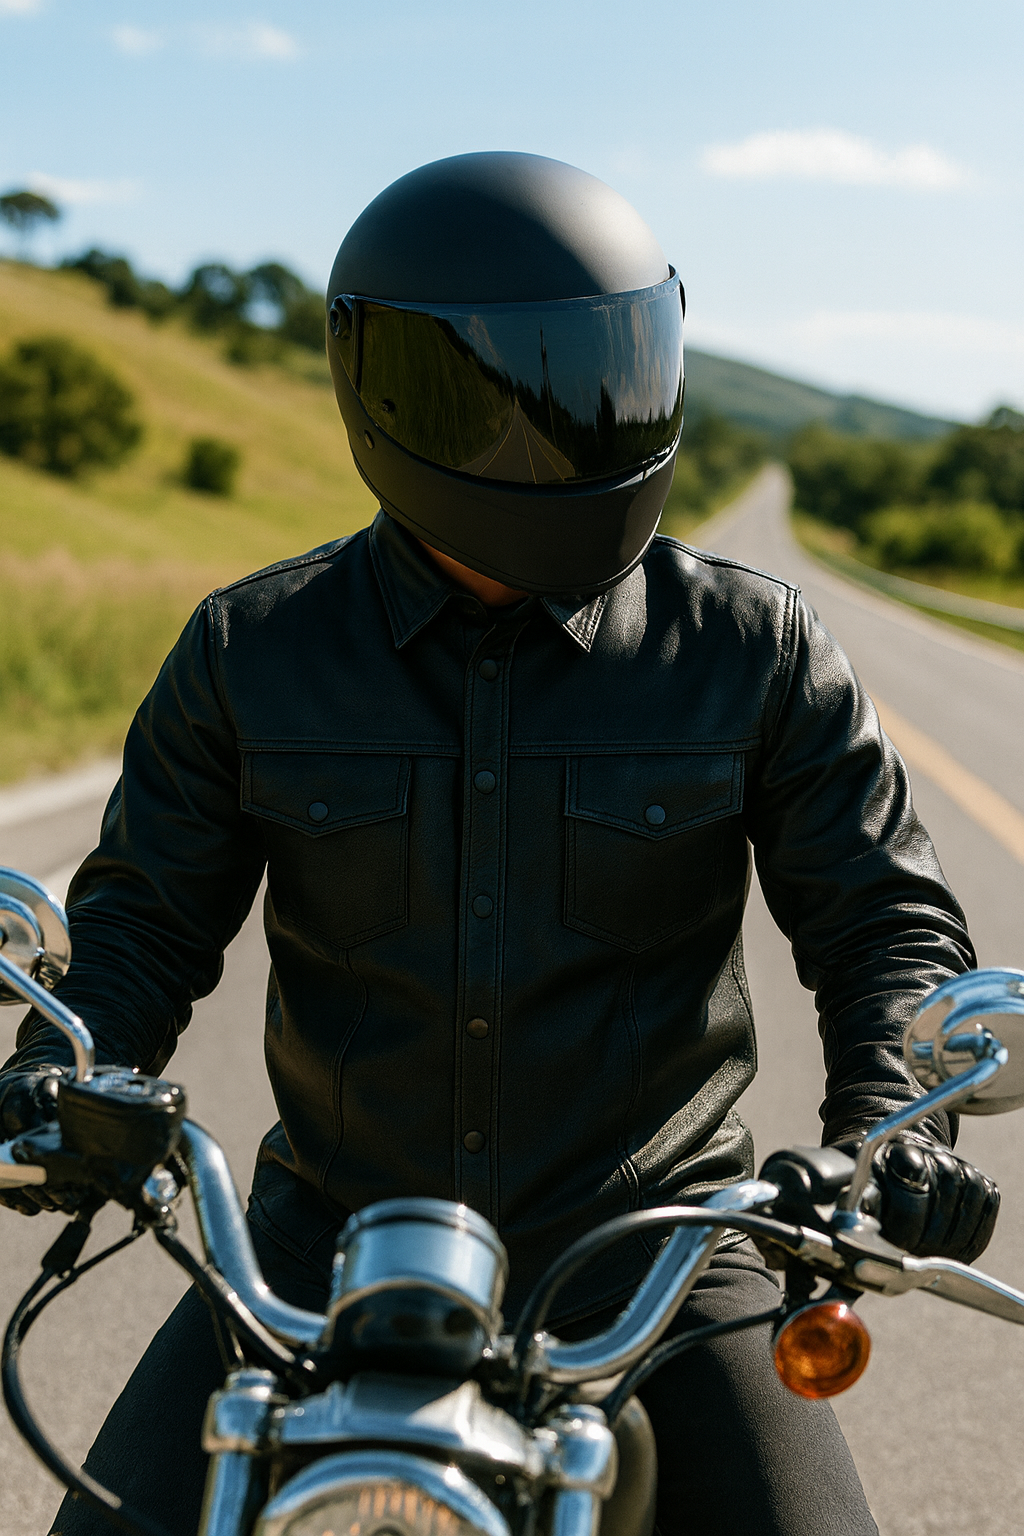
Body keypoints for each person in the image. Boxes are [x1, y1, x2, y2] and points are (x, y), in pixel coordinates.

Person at [0, 152, 998, 1536]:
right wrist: (62, 1073)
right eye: (532, 395)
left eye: (611, 373)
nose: (583, 424)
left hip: (662, 1255)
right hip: (320, 1244)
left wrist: (898, 1127)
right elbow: (139, 930)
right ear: (398, 396)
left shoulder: (753, 651)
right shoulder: (253, 654)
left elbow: (885, 929)